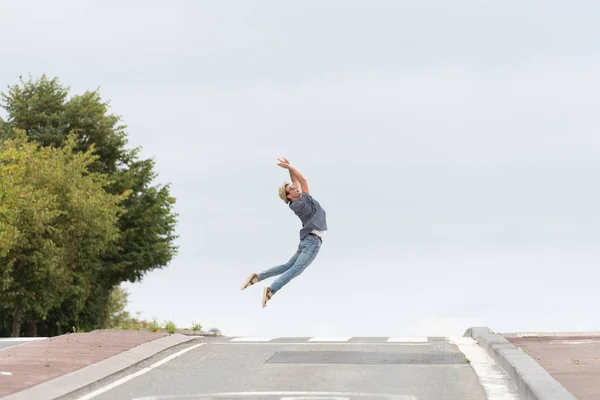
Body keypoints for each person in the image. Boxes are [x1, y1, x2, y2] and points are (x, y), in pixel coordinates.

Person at [241, 157, 328, 308]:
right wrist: (290, 167)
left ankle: (258, 277)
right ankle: (271, 289)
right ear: (289, 196)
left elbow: (297, 181)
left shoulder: (301, 197)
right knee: (295, 270)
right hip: (312, 242)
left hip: (308, 240)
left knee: (288, 266)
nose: (295, 188)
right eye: (291, 189)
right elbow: (303, 180)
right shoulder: (299, 204)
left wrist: (289, 168)